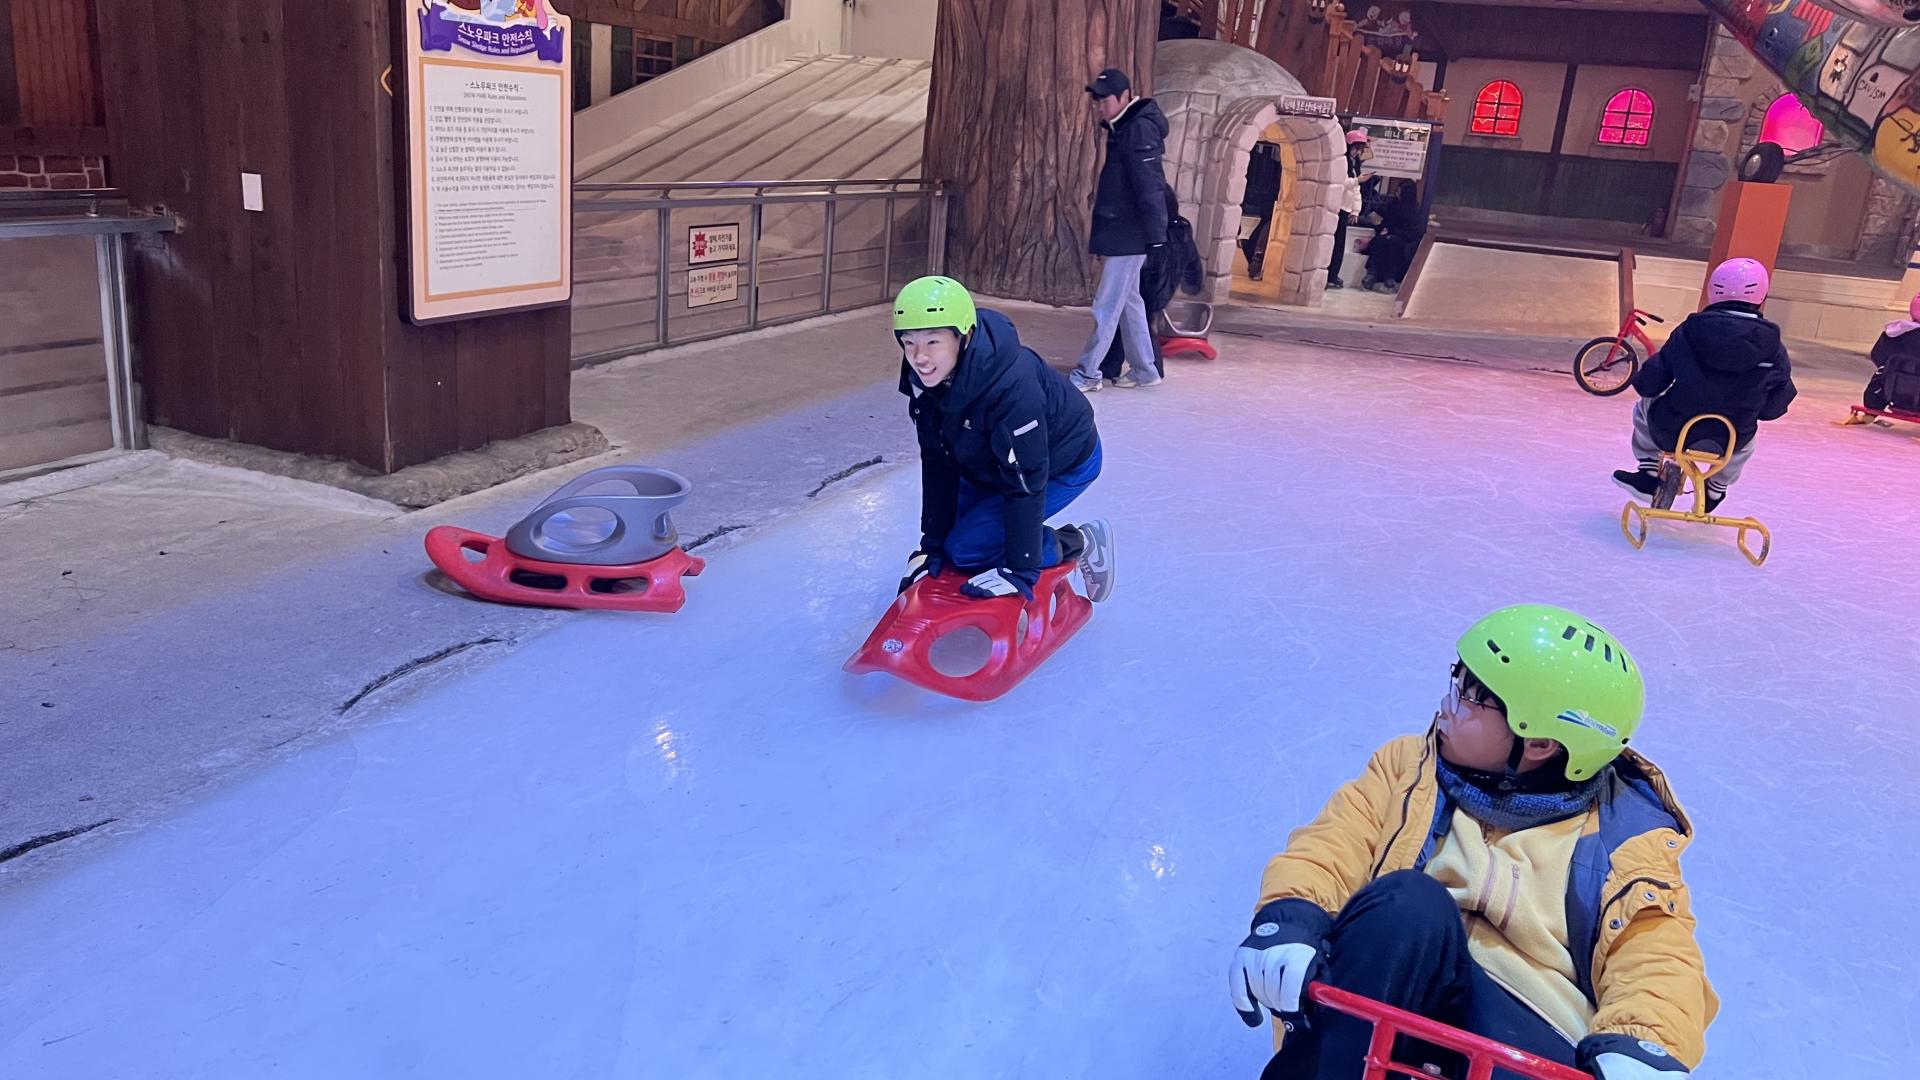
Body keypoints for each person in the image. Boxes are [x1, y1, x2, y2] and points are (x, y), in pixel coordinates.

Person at [1228, 604, 1716, 1080]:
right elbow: (1333, 846)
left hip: (1522, 1036)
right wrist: (1290, 918)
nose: (1446, 702)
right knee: (1409, 903)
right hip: (1391, 988)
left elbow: (1654, 953)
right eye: (1456, 679)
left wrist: (1641, 1041)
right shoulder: (1407, 769)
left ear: (1541, 744)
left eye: (1469, 694)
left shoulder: (1623, 840)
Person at [892, 276, 1117, 604]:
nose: (919, 357)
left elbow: (1026, 481)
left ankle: (1079, 541)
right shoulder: (924, 380)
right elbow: (938, 461)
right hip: (991, 461)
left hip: (1063, 462)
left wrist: (1020, 569)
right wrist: (932, 546)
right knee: (953, 542)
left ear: (964, 336)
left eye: (932, 342)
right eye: (908, 342)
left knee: (968, 549)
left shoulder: (1012, 388)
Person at [1612, 258, 1796, 513]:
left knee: (1645, 405)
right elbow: (1779, 398)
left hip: (1673, 427)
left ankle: (1648, 473)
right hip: (1731, 437)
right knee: (1749, 433)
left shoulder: (1689, 331)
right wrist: (1760, 410)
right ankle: (1716, 488)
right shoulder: (1772, 345)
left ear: (1713, 290)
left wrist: (1645, 384)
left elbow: (1652, 380)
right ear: (1761, 294)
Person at [1073, 67, 1171, 393]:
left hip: (1130, 235)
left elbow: (1150, 185)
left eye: (1105, 100)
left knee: (1107, 305)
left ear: (1125, 97)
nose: (1100, 106)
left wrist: (1156, 236)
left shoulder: (1139, 130)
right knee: (1129, 303)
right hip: (1123, 232)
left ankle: (1088, 373)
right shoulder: (1123, 128)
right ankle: (1145, 369)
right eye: (1097, 100)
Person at [1100, 184, 1204, 383]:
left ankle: (1139, 368)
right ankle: (1120, 366)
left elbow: (1150, 262)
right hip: (1164, 288)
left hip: (1150, 284)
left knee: (1137, 324)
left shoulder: (1156, 232)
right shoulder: (1182, 228)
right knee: (1138, 323)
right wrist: (1193, 282)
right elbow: (1193, 260)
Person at [1328, 130, 1373, 290]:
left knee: (1339, 243)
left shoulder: (1354, 164)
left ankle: (1333, 274)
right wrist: (1357, 180)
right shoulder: (1342, 161)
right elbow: (1340, 182)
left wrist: (1355, 210)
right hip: (1336, 206)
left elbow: (1355, 189)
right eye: (1356, 147)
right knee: (1332, 243)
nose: (1358, 151)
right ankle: (1328, 274)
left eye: (1361, 148)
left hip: (1345, 208)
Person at [1361, 182, 1425, 293]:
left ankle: (1390, 277)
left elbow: (1414, 232)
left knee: (1394, 244)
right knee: (1379, 241)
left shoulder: (1414, 210)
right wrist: (1379, 226)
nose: (1397, 192)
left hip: (1403, 239)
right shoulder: (1391, 205)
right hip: (1387, 234)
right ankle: (1372, 273)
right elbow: (1382, 220)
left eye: (1400, 191)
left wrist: (1393, 233)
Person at [1861, 292, 1920, 414]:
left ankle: (1875, 404)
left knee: (1885, 370)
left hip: (1891, 394)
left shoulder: (1894, 332)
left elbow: (1877, 356)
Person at [1241, 141, 1285, 281]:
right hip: (1269, 200)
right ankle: (1255, 266)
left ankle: (1254, 263)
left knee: (1259, 234)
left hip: (1267, 200)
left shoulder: (1268, 165)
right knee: (1262, 235)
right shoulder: (1271, 166)